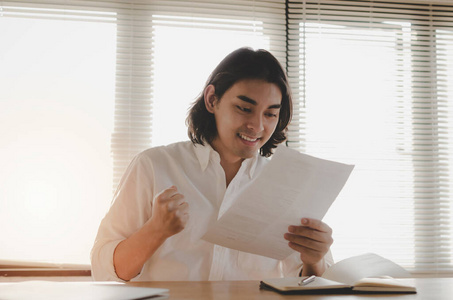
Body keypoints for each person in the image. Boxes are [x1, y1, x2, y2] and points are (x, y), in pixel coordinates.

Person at [91, 47, 334, 282]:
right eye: (244, 108)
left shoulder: (286, 185)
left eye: (270, 114)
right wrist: (155, 230)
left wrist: (315, 260)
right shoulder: (154, 166)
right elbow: (105, 271)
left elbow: (309, 284)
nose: (257, 126)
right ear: (211, 100)